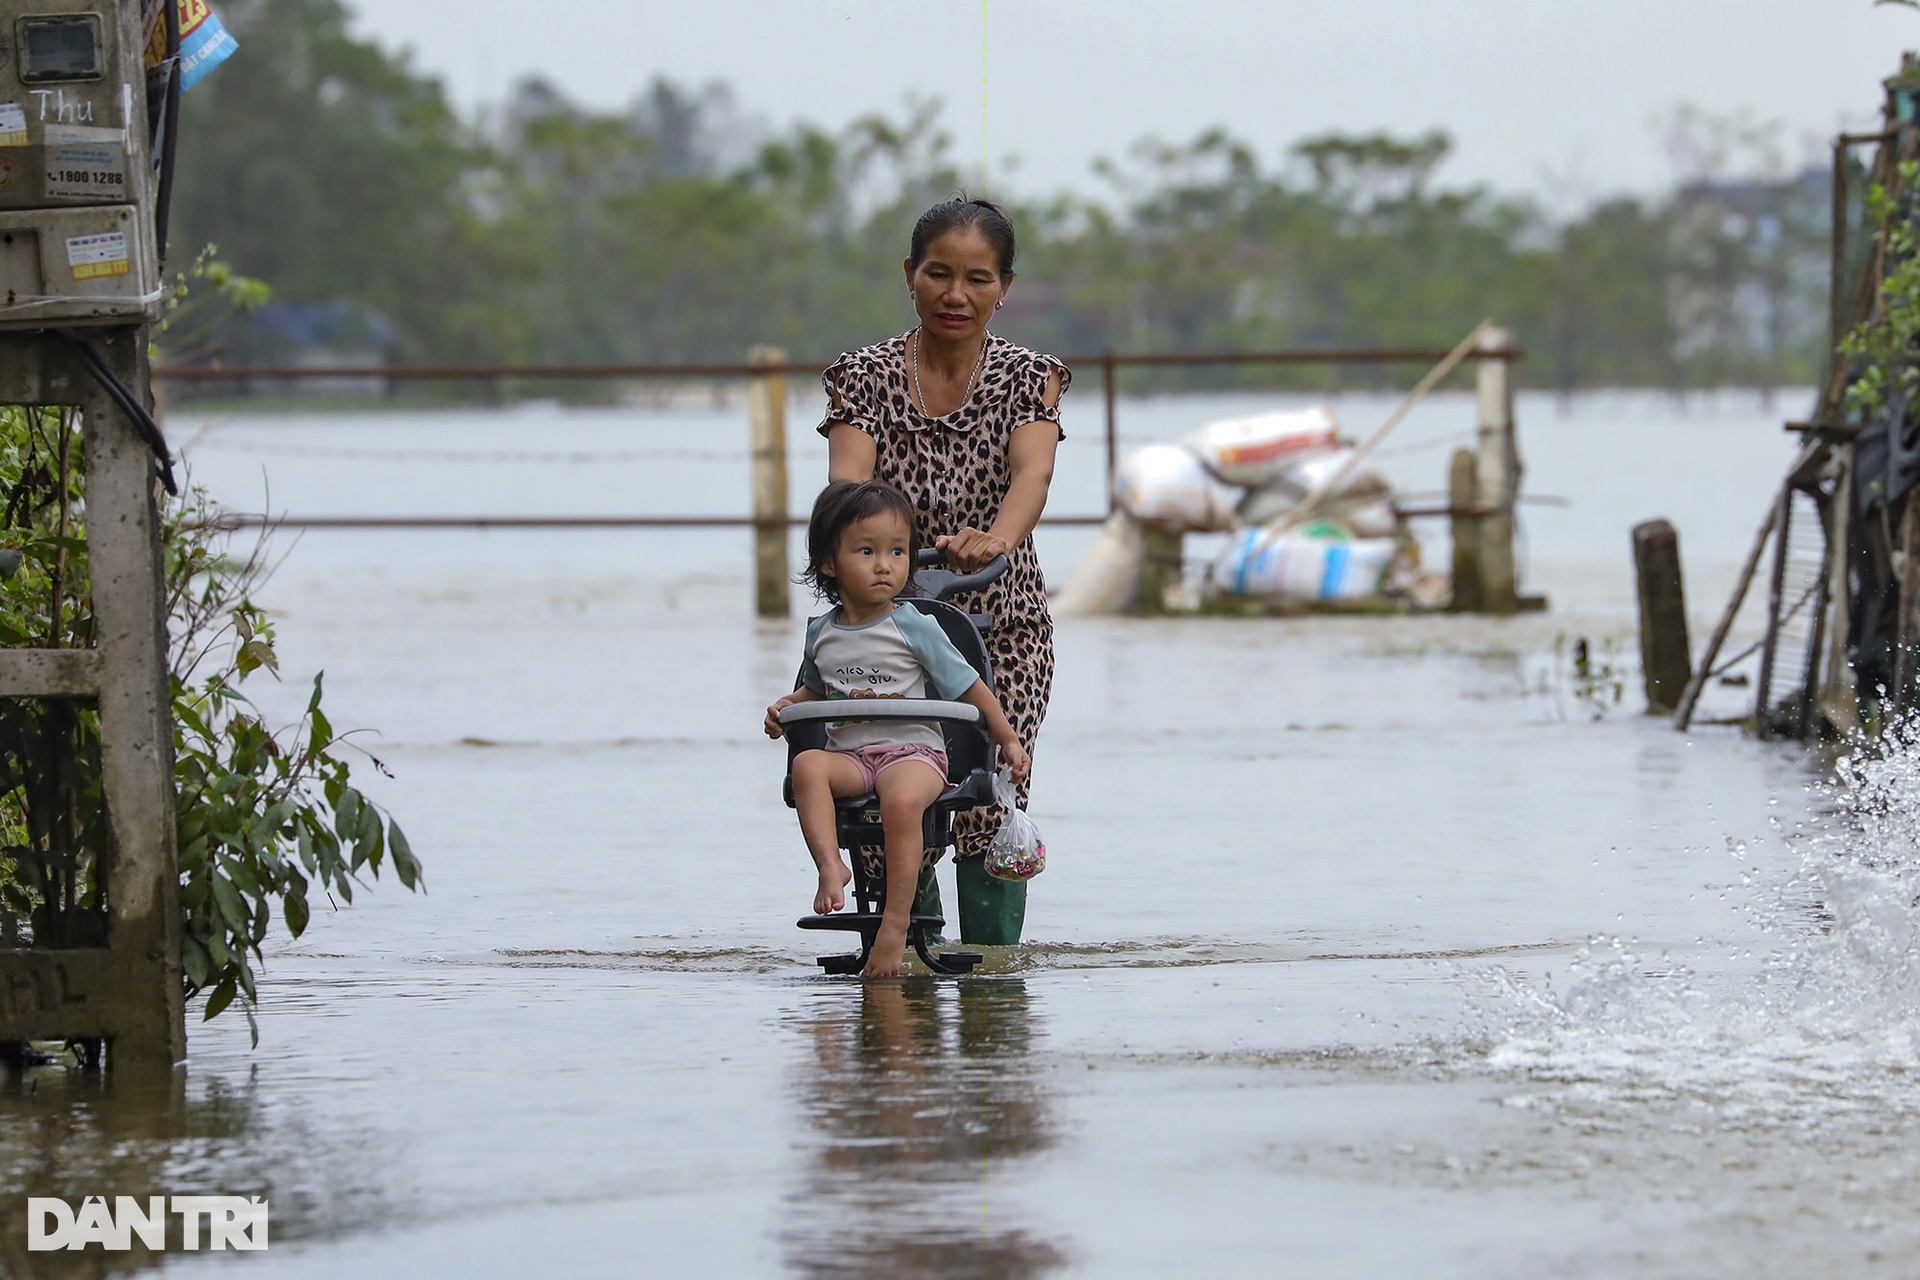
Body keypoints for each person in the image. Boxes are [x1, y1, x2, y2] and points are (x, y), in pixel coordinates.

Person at [817, 196, 1068, 946]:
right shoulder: (860, 376)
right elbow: (845, 484)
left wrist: (994, 538)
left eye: (978, 279)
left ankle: (991, 981)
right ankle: (904, 970)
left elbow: (1034, 474)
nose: (957, 295)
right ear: (910, 275)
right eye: (939, 275)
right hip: (885, 627)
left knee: (989, 794)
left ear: (1004, 287)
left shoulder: (1032, 376)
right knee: (884, 792)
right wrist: (881, 547)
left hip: (1002, 626)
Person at [765, 480, 1030, 978]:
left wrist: (1009, 738)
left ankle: (893, 928)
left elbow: (970, 687)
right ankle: (830, 866)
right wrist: (786, 707)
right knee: (806, 766)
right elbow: (816, 693)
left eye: (897, 551)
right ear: (829, 563)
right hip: (852, 758)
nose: (884, 564)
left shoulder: (914, 625)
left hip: (914, 754)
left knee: (902, 800)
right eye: (866, 551)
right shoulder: (822, 633)